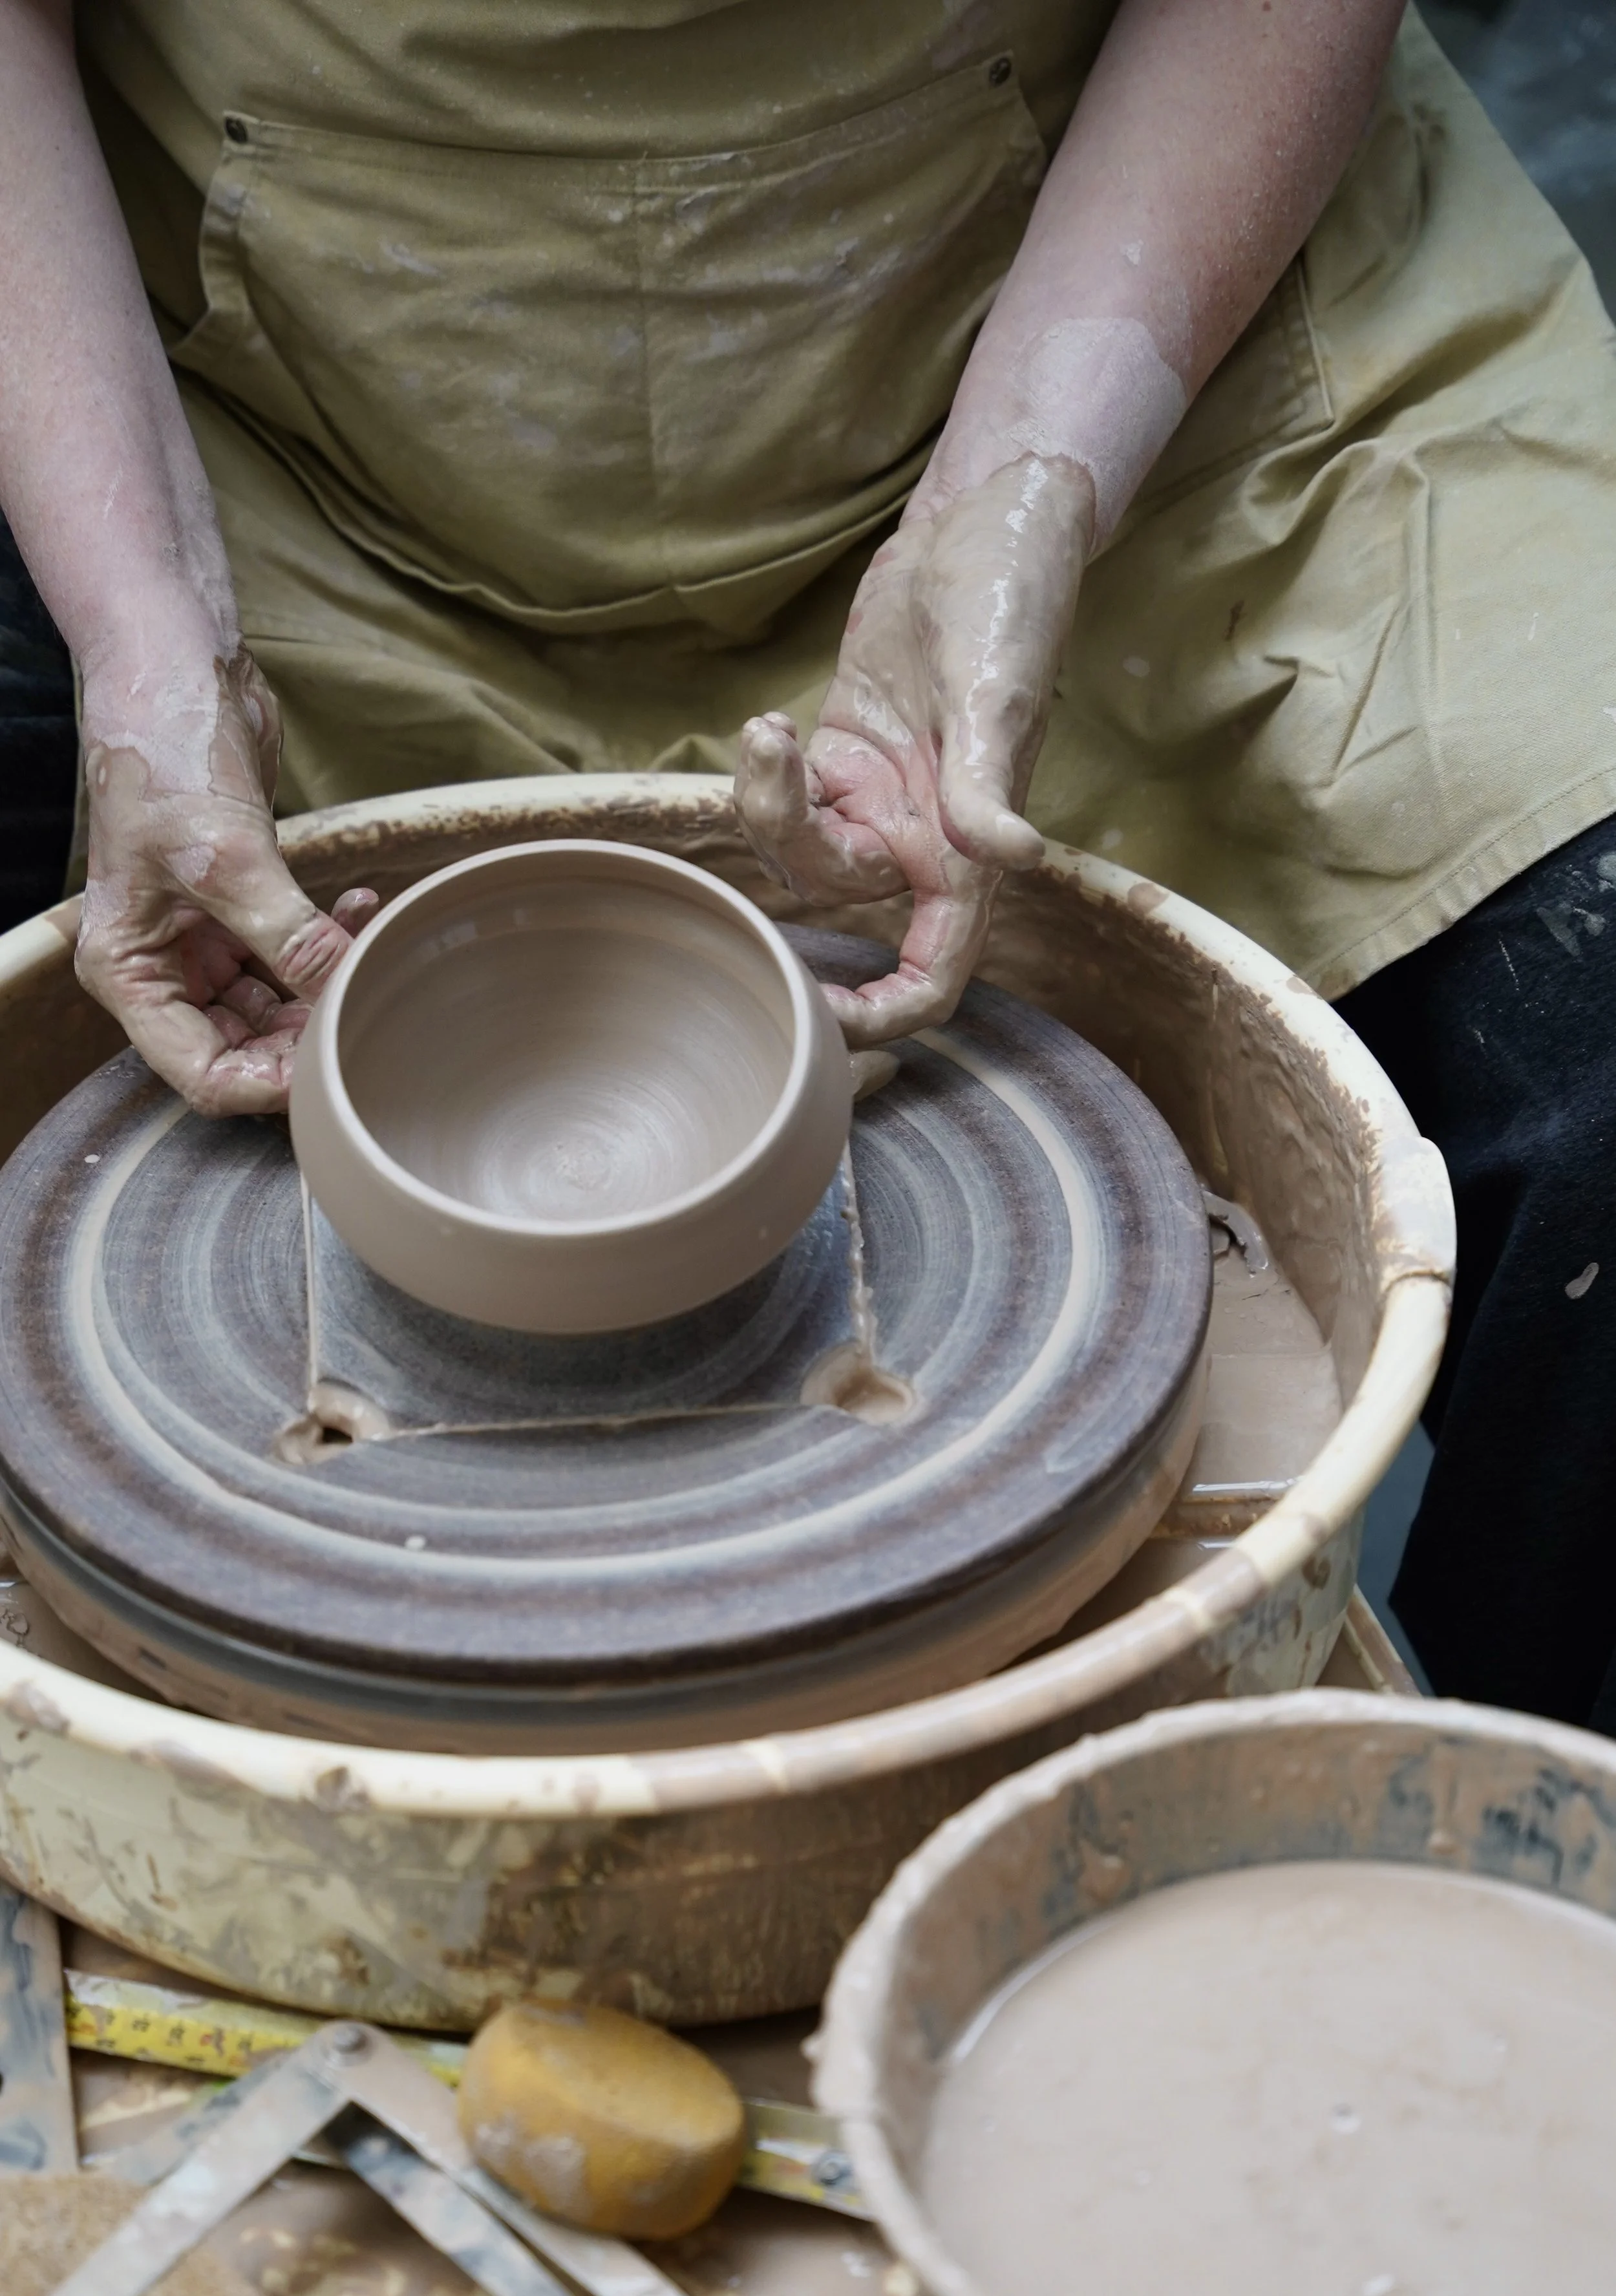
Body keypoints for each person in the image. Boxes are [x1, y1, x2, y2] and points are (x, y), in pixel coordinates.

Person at [2, 0, 1615, 1725]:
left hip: (1125, 315)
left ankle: (1512, 1859)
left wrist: (1030, 486)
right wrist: (148, 631)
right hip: (254, 403)